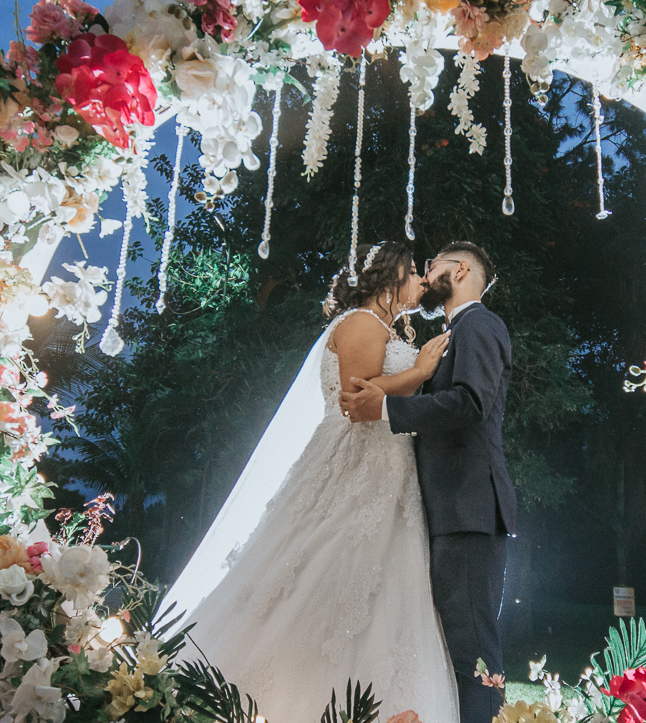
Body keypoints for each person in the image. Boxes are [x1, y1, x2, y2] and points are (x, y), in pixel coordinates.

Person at [167, 242, 460, 722]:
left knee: (379, 586)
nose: (420, 284)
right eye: (413, 275)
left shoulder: (380, 325)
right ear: (390, 282)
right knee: (329, 569)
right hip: (359, 466)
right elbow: (356, 400)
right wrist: (421, 370)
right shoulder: (363, 323)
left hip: (389, 471)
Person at [340, 241, 516, 723]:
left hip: (469, 506)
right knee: (459, 644)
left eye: (432, 266)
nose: (424, 276)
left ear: (460, 270)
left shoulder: (478, 325)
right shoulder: (452, 332)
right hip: (454, 507)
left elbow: (469, 404)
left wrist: (387, 407)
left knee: (473, 649)